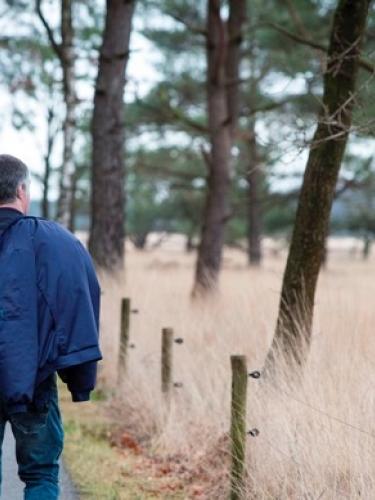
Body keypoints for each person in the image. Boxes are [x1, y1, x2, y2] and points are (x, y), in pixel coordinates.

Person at [0, 154, 103, 499]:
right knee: (41, 474)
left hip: (33, 378)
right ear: (21, 190)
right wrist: (79, 378)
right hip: (33, 378)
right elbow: (81, 301)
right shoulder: (55, 241)